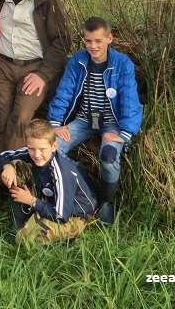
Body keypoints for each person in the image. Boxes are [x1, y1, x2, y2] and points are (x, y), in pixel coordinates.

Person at [0, 0, 71, 205]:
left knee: (21, 118)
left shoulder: (46, 0)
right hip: (2, 65)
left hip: (33, 68)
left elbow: (62, 42)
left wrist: (43, 75)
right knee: (0, 121)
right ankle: (10, 177)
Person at [48, 16, 142, 224]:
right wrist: (55, 123)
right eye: (88, 41)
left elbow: (130, 99)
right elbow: (65, 91)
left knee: (108, 156)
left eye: (98, 41)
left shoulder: (122, 64)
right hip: (84, 119)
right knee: (53, 148)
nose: (93, 46)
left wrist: (124, 133)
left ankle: (106, 201)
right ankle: (77, 190)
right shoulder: (78, 60)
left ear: (109, 38)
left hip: (112, 122)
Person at [0, 119, 97, 244]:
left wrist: (31, 201)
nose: (37, 155)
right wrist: (7, 167)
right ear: (27, 144)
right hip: (49, 202)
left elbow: (61, 216)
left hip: (73, 215)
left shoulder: (61, 173)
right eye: (31, 149)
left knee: (23, 239)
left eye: (42, 149)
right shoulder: (33, 152)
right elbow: (4, 155)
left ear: (54, 146)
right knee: (14, 166)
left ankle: (29, 226)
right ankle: (21, 221)